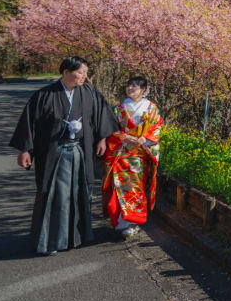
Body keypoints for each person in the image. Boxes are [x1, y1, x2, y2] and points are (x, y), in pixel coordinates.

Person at [10, 56, 119, 255]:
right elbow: (30, 123)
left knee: (79, 193)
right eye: (80, 72)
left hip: (79, 151)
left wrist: (102, 139)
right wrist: (25, 150)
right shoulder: (44, 95)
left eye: (86, 73)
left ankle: (74, 238)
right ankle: (50, 241)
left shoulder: (89, 92)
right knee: (54, 196)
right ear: (66, 72)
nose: (84, 76)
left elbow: (101, 116)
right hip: (54, 152)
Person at [102, 76, 163, 238]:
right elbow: (111, 128)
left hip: (140, 154)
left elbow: (157, 127)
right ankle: (121, 222)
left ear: (143, 90)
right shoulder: (118, 108)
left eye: (134, 86)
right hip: (121, 153)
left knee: (135, 187)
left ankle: (133, 222)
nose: (130, 89)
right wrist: (124, 137)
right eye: (128, 86)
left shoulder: (151, 108)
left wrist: (145, 138)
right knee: (118, 186)